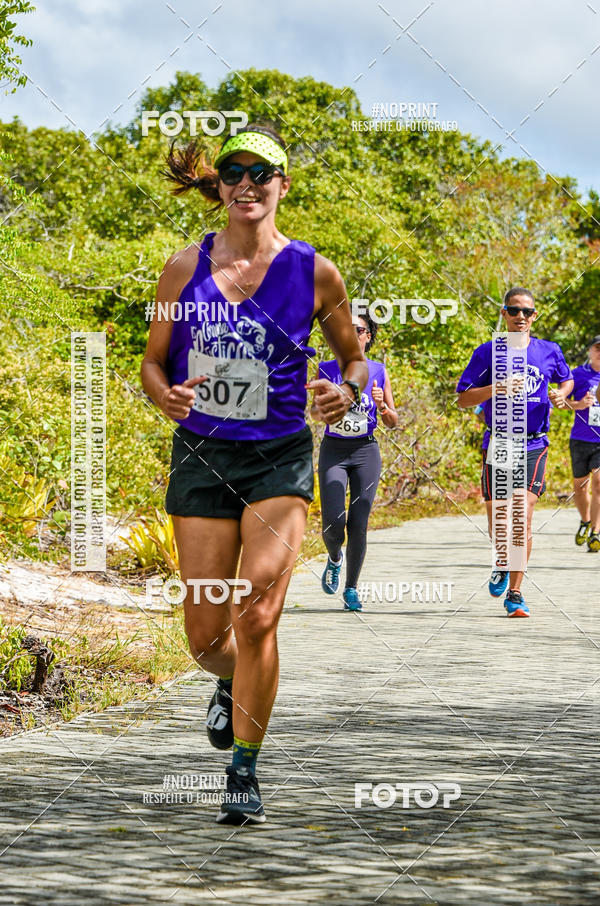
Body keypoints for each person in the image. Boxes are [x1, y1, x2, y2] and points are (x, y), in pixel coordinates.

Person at [141, 123, 368, 825]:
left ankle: (244, 768)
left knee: (259, 612)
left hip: (280, 458)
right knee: (207, 636)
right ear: (222, 186)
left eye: (260, 174)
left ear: (282, 186)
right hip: (204, 456)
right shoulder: (183, 268)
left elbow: (352, 358)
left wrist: (346, 391)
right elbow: (152, 362)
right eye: (234, 172)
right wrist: (165, 393)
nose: (246, 184)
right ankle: (230, 685)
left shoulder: (313, 270)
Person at [456, 288, 573, 617]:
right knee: (498, 520)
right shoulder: (487, 353)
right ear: (504, 314)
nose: (520, 316)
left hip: (534, 442)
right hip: (501, 441)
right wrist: (496, 388)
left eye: (527, 311)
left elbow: (566, 382)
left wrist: (561, 396)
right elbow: (463, 398)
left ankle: (516, 593)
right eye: (514, 310)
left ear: (535, 315)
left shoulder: (550, 351)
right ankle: (501, 558)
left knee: (521, 515)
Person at [311, 313, 398, 610]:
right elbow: (315, 415)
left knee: (358, 523)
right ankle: (334, 558)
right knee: (334, 522)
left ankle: (351, 589)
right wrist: (328, 402)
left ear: (368, 336)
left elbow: (393, 421)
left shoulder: (379, 371)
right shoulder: (326, 368)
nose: (351, 334)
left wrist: (382, 406)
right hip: (334, 450)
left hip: (366, 452)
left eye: (358, 330)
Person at [565, 335, 600, 552]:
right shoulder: (577, 374)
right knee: (580, 488)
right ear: (590, 351)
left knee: (599, 482)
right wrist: (578, 404)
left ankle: (596, 532)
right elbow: (561, 402)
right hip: (580, 439)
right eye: (597, 348)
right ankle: (585, 521)